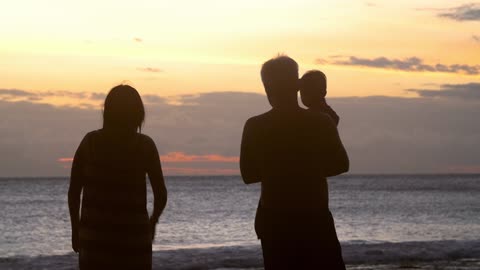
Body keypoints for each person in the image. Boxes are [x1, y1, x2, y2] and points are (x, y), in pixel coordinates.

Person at [240, 56, 349, 269]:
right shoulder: (320, 121)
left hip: (275, 219)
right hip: (315, 217)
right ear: (297, 84)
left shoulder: (255, 125)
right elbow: (340, 165)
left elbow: (249, 174)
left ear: (266, 86)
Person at [68, 85, 167, 270]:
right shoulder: (145, 146)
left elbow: (74, 192)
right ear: (138, 113)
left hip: (94, 241)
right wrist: (152, 223)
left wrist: (76, 229)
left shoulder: (90, 143)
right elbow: (161, 194)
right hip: (135, 242)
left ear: (107, 111)